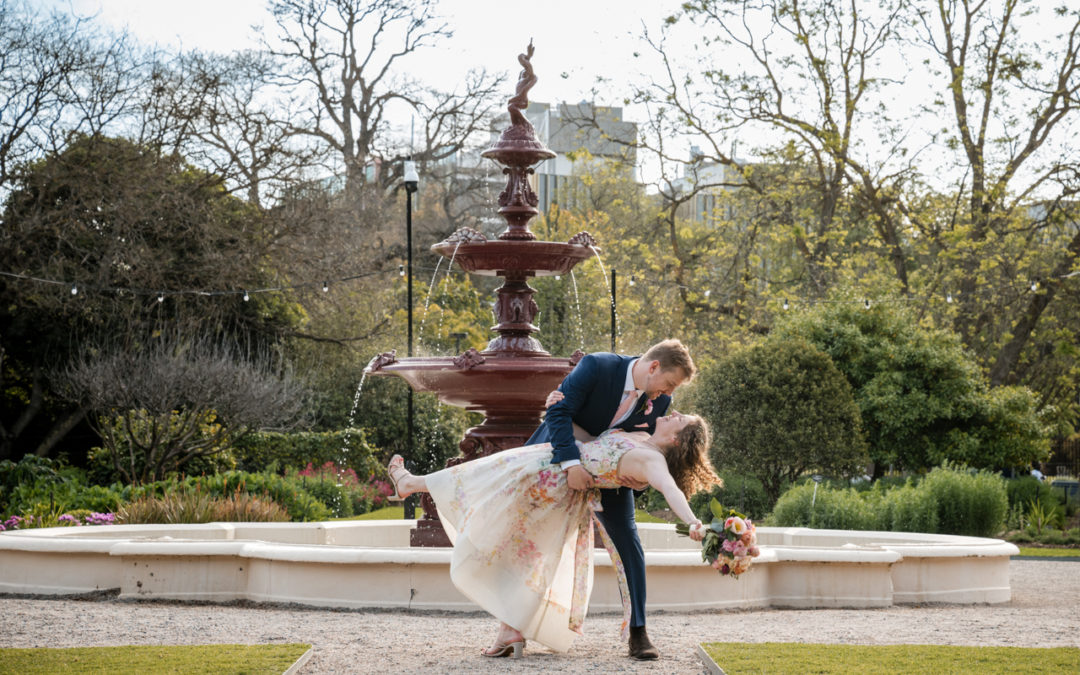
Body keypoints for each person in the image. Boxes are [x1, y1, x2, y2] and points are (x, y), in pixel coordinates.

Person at [386, 412, 718, 658]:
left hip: (547, 476)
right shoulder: (640, 439)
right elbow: (590, 439)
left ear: (675, 438)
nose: (672, 412)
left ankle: (409, 484)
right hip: (556, 484)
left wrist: (691, 522)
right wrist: (557, 411)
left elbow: (671, 490)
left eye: (679, 419)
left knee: (474, 481)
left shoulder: (652, 460)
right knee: (526, 555)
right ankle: (511, 630)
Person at [526, 338, 694, 660]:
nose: (668, 394)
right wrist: (571, 464)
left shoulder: (657, 401)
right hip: (559, 457)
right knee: (527, 536)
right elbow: (558, 413)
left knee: (628, 541)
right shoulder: (597, 366)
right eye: (669, 384)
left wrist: (641, 483)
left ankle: (638, 631)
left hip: (610, 477)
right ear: (654, 366)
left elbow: (648, 448)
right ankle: (512, 629)